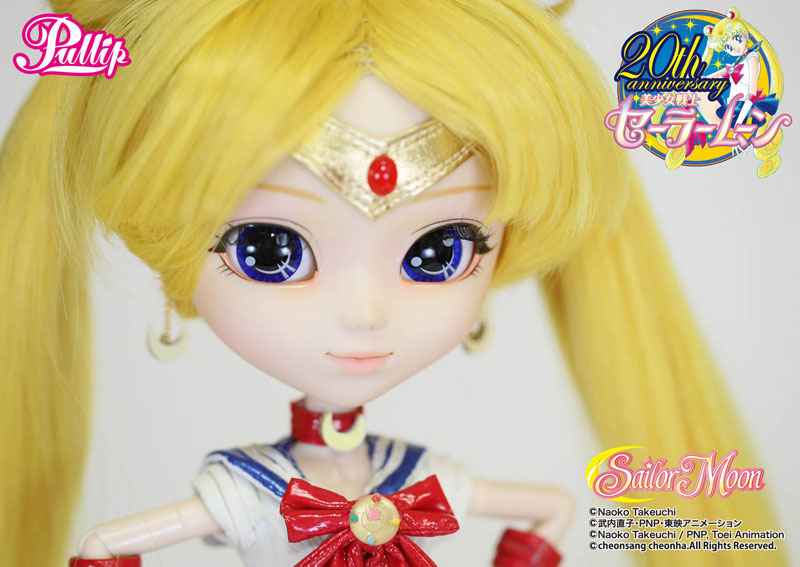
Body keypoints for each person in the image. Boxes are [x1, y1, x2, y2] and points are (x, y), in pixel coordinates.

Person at [0, 1, 783, 566]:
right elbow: (105, 544)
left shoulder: (421, 475)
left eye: (439, 250)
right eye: (270, 249)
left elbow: (550, 507)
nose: (366, 314)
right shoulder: (253, 487)